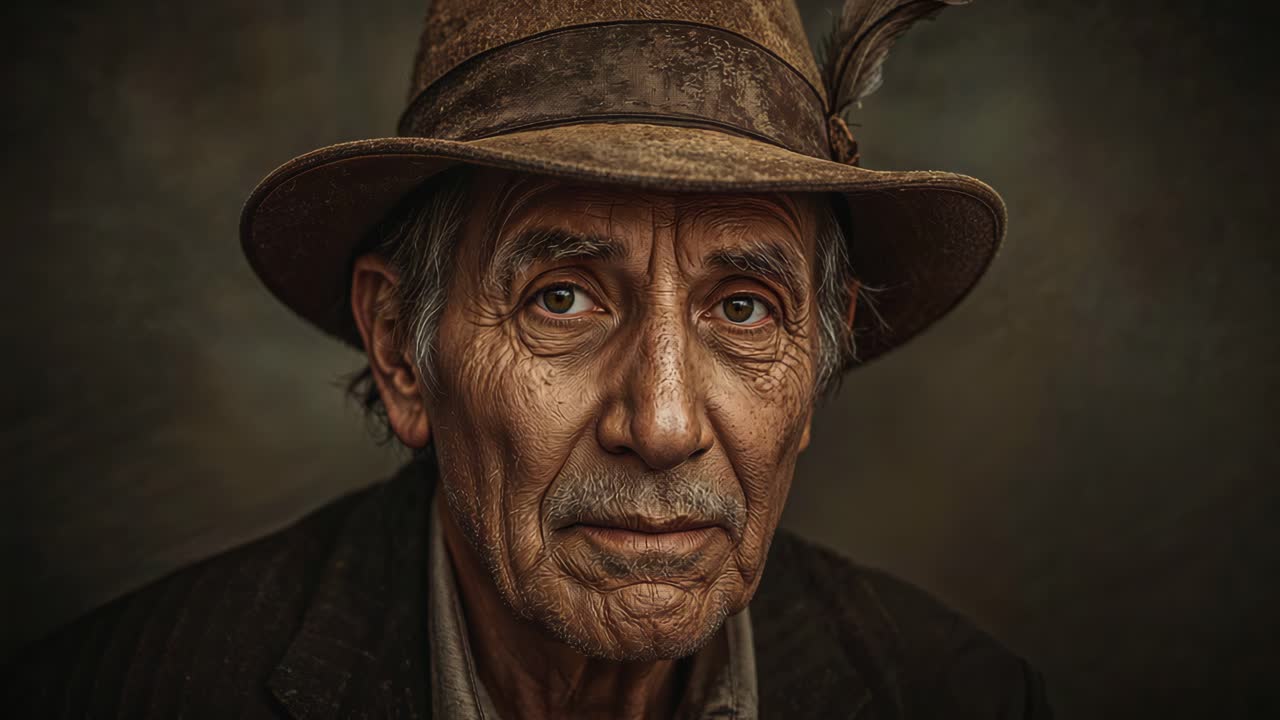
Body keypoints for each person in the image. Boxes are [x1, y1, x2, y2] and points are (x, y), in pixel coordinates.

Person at [4, 0, 1052, 717]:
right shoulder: (128, 693)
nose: (663, 423)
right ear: (401, 352)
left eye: (742, 307)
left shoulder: (954, 695)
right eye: (560, 298)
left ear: (813, 377)